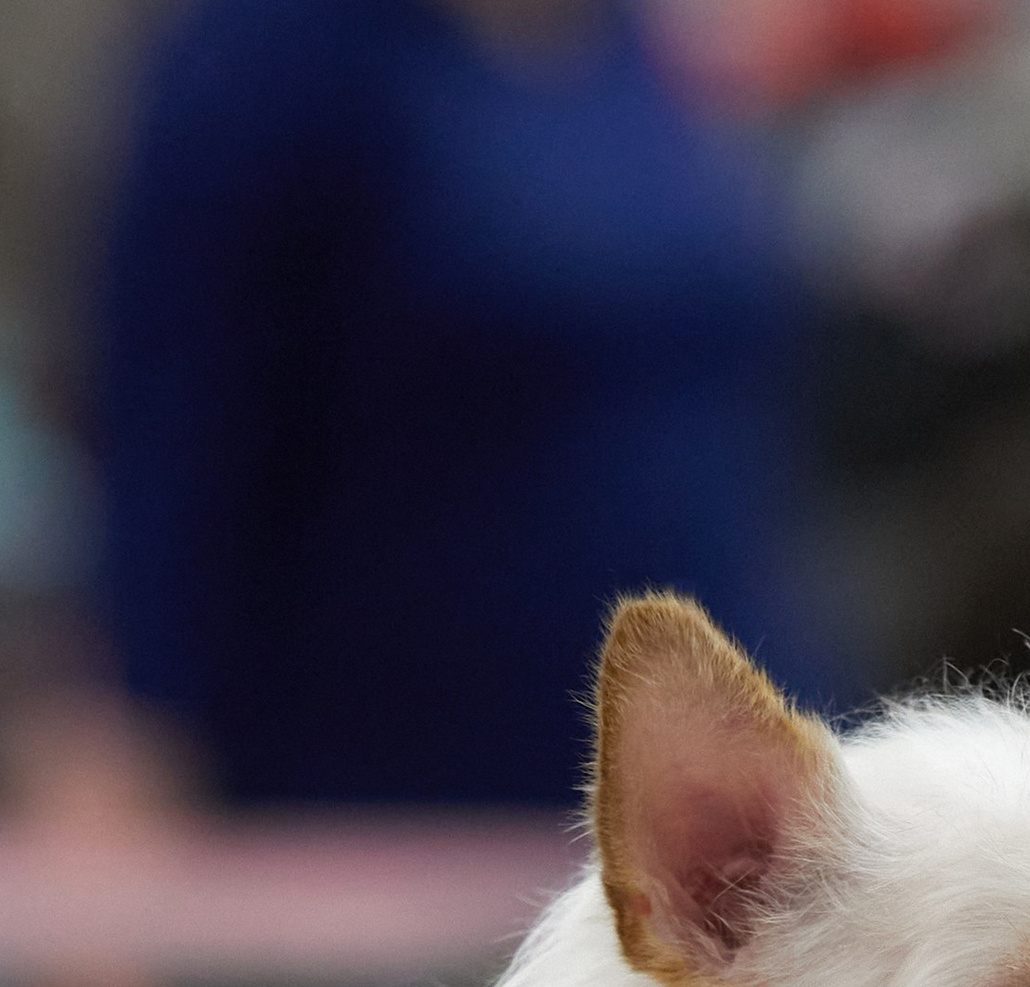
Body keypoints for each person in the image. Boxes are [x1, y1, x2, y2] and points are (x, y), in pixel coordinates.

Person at [93, 0, 825, 811]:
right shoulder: (274, 52)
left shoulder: (635, 43)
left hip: (719, 743)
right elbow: (172, 431)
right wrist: (129, 737)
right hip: (406, 770)